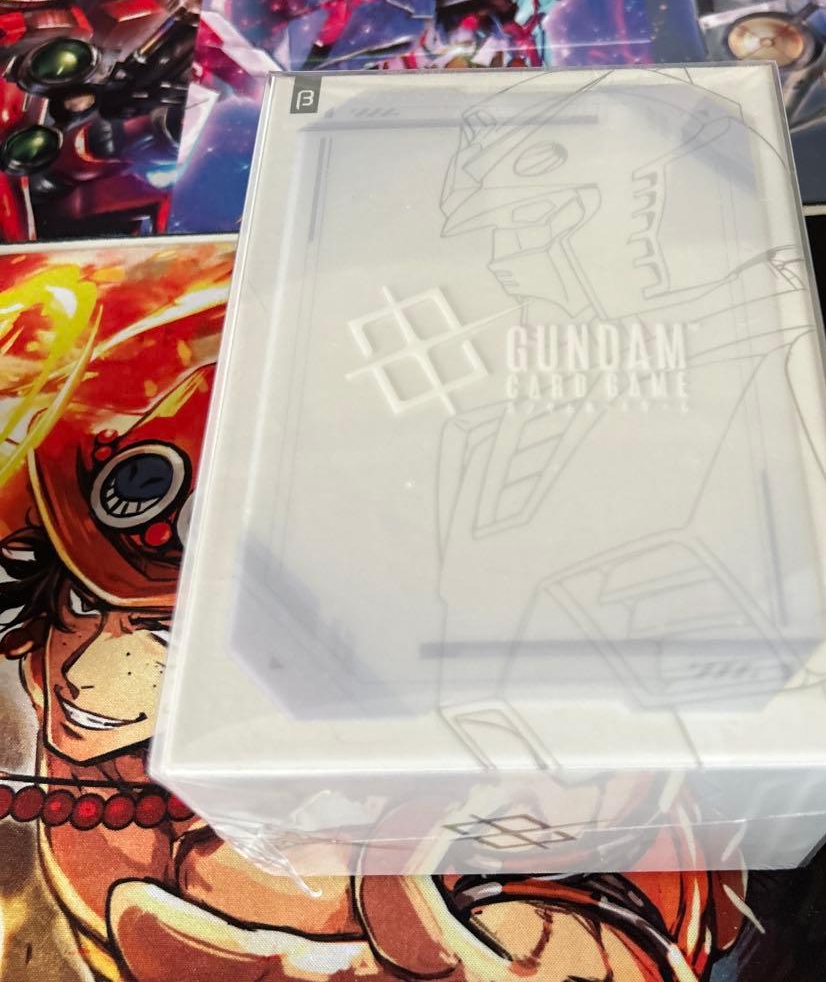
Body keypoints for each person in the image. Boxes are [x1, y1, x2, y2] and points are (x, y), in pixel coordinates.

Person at [0, 365, 750, 981]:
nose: (81, 674)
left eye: (166, 634)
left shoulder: (500, 765)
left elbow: (587, 941)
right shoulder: (87, 739)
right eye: (83, 602)